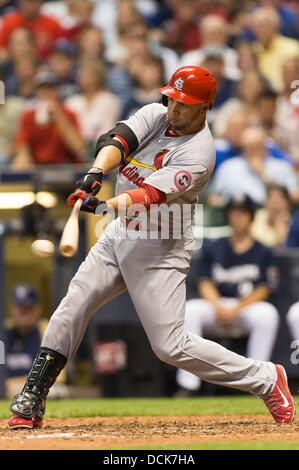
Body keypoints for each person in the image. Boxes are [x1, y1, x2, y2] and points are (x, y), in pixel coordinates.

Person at [8, 65, 295, 429]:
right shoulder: (156, 113)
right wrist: (96, 174)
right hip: (120, 234)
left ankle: (267, 378)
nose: (174, 108)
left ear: (204, 107)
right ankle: (33, 396)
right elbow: (119, 141)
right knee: (72, 305)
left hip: (162, 246)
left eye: (184, 104)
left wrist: (106, 205)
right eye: (172, 98)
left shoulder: (200, 153)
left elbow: (150, 194)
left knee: (170, 346)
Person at [177, 194, 280, 394]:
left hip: (246, 307)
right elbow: (205, 282)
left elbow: (264, 289)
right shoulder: (214, 247)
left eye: (242, 212)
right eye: (233, 212)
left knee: (267, 314)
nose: (237, 217)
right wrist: (218, 306)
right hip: (218, 304)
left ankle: (258, 382)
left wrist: (236, 309)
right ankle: (188, 384)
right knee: (191, 310)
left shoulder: (263, 251)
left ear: (250, 216)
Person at [12, 70, 84, 169]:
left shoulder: (68, 114)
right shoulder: (28, 116)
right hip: (37, 166)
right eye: (41, 89)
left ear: (57, 90)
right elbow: (22, 147)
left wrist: (58, 117)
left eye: (49, 88)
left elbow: (79, 148)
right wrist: (22, 159)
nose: (45, 92)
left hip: (65, 166)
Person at [209, 127, 298, 205]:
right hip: (235, 212)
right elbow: (213, 197)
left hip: (267, 214)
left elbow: (295, 197)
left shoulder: (282, 167)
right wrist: (225, 202)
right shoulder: (228, 167)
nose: (251, 151)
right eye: (247, 147)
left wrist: (265, 175)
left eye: (256, 147)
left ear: (265, 147)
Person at [250, 7, 299, 92]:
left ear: (276, 26)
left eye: (266, 25)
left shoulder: (293, 48)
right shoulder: (252, 50)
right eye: (258, 26)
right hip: (261, 99)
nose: (262, 30)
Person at [0, 0, 65, 61]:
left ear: (40, 2)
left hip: (46, 63)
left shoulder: (53, 24)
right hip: (15, 63)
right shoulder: (10, 23)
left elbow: (60, 49)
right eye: (27, 2)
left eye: (33, 1)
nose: (29, 6)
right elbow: (2, 50)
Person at [5, 284, 42, 381]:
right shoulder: (3, 334)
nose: (23, 312)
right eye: (20, 307)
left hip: (34, 392)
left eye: (28, 307)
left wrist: (12, 385)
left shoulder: (46, 332)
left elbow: (59, 378)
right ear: (12, 309)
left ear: (38, 309)